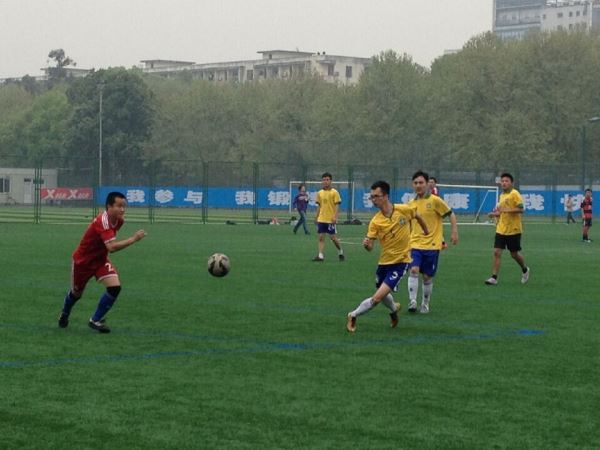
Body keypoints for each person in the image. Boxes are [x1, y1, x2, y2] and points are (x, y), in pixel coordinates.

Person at [58, 191, 147, 333]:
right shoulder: (102, 221)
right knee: (76, 294)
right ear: (109, 206)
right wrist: (133, 239)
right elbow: (111, 247)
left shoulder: (119, 220)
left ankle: (95, 320)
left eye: (124, 206)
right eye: (119, 206)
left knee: (115, 287)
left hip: (100, 260)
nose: (122, 209)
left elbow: (108, 244)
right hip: (83, 262)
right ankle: (64, 314)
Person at [346, 180, 429, 333]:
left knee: (377, 298)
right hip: (384, 263)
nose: (373, 200)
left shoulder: (403, 210)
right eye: (371, 197)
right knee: (384, 295)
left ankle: (353, 315)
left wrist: (426, 232)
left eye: (376, 196)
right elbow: (370, 248)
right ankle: (393, 311)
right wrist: (366, 245)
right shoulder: (375, 221)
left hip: (401, 262)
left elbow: (417, 216)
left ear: (385, 196)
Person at [407, 170, 459, 314]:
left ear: (427, 184)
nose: (418, 185)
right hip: (415, 244)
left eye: (421, 182)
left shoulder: (435, 201)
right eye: (415, 183)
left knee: (427, 277)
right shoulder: (411, 204)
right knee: (413, 270)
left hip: (432, 245)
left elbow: (451, 214)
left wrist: (454, 232)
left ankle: (425, 303)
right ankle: (412, 301)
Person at [485, 173, 530, 285]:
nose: (504, 183)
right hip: (501, 229)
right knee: (497, 252)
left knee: (514, 254)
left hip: (514, 229)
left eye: (506, 181)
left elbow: (521, 209)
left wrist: (506, 210)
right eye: (502, 181)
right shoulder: (502, 196)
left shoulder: (515, 194)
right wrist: (494, 214)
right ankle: (494, 278)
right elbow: (501, 212)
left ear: (511, 183)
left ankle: (525, 269)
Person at [313, 172, 344, 261]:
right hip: (322, 219)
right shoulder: (320, 193)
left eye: (327, 180)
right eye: (324, 180)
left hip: (330, 220)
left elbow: (337, 205)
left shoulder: (335, 192)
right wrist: (316, 216)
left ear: (330, 181)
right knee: (321, 237)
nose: (325, 181)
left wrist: (335, 216)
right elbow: (319, 206)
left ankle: (340, 251)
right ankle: (320, 255)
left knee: (333, 238)